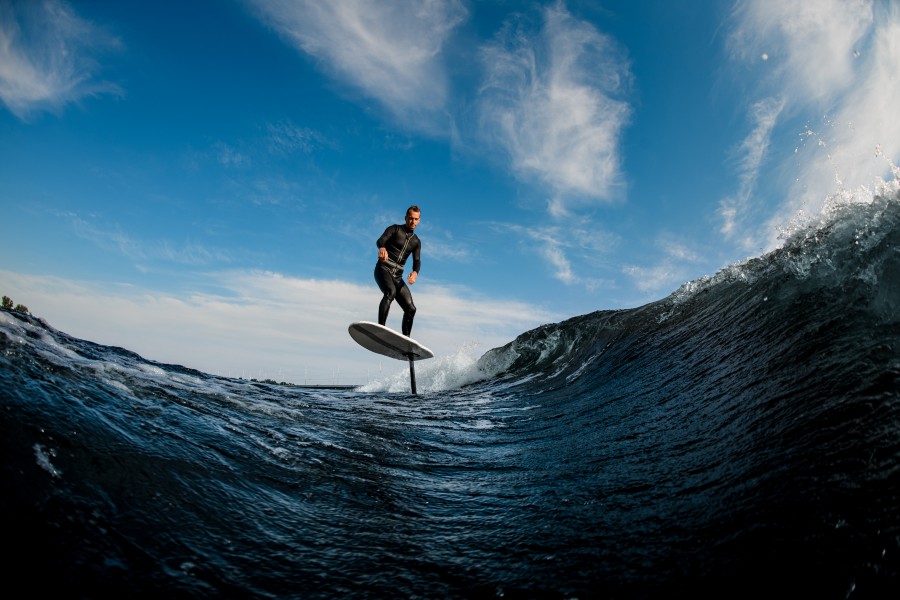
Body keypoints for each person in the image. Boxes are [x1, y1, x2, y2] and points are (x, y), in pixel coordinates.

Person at [375, 205, 421, 337]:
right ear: (406, 217)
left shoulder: (416, 241)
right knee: (391, 292)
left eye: (416, 219)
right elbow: (381, 240)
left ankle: (406, 342)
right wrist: (382, 247)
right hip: (383, 269)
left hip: (398, 277)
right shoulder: (395, 229)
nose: (413, 222)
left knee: (411, 309)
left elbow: (417, 260)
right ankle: (380, 328)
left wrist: (415, 272)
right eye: (411, 218)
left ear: (419, 220)